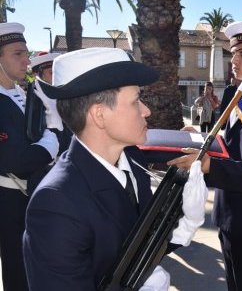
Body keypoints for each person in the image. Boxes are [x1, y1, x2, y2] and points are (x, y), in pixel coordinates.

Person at [23, 47, 204, 290]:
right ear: (99, 115)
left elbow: (138, 250)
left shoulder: (132, 162)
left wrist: (184, 225)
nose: (146, 111)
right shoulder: (57, 204)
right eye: (135, 101)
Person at [168, 19, 242, 291]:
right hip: (228, 211)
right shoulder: (234, 93)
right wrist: (197, 139)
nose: (234, 60)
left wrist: (211, 166)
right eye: (233, 52)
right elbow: (228, 144)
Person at [0, 22, 59, 291]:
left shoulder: (21, 92)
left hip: (33, 196)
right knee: (18, 274)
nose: (26, 59)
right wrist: (53, 139)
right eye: (17, 54)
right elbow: (19, 163)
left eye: (26, 52)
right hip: (11, 203)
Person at [30, 52, 73, 154]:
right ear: (37, 74)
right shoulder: (34, 94)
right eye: (51, 72)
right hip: (49, 143)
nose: (55, 76)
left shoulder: (58, 90)